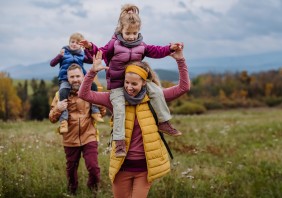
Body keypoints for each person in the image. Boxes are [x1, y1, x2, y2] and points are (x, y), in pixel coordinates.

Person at [78, 46, 189, 197]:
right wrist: (92, 72)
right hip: (121, 166)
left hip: (144, 169)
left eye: (134, 84)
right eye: (126, 82)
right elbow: (84, 94)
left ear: (144, 82)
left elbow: (184, 87)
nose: (129, 87)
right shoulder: (114, 98)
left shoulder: (155, 97)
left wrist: (180, 60)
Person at [80, 3, 183, 158]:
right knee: (119, 109)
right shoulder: (114, 44)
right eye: (128, 33)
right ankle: (119, 141)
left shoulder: (141, 45)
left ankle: (163, 122)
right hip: (117, 85)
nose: (131, 36)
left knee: (155, 91)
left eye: (135, 33)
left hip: (137, 80)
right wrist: (89, 47)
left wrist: (170, 48)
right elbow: (100, 52)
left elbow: (156, 51)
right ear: (121, 30)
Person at [49, 64, 107, 196]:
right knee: (71, 169)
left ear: (83, 76)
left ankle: (93, 190)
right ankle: (72, 191)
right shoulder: (60, 94)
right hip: (70, 139)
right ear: (68, 78)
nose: (75, 79)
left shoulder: (91, 91)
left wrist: (100, 105)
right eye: (72, 77)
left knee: (93, 168)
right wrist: (58, 108)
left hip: (89, 136)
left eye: (77, 76)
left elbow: (101, 113)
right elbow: (52, 118)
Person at [50, 32, 104, 134]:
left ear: (81, 45)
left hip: (80, 79)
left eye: (77, 42)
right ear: (69, 42)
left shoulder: (81, 54)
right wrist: (59, 56)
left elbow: (90, 60)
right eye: (72, 41)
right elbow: (52, 63)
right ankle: (64, 121)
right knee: (63, 94)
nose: (74, 44)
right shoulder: (64, 52)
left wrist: (87, 50)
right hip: (65, 79)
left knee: (93, 86)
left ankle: (95, 111)